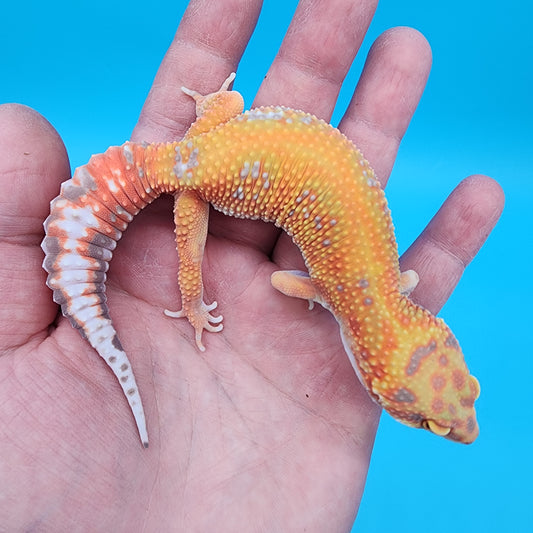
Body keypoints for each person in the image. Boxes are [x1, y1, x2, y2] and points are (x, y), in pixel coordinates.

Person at [0, 0, 504, 530]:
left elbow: (369, 280)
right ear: (378, 381)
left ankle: (214, 110)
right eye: (431, 420)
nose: (460, 428)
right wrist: (207, 301)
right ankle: (188, 305)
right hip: (199, 182)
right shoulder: (349, 291)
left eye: (445, 409)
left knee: (230, 104)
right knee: (190, 266)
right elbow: (286, 280)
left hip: (218, 131)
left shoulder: (391, 281)